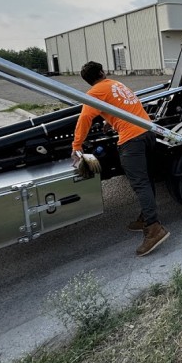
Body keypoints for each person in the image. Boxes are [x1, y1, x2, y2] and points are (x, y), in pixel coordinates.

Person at [72, 61, 170, 257]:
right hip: (148, 132)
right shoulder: (116, 84)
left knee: (140, 183)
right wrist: (111, 122)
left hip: (131, 140)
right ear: (102, 72)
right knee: (146, 178)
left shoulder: (94, 92)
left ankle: (154, 228)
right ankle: (146, 217)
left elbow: (84, 119)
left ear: (87, 81)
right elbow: (127, 106)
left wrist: (76, 146)